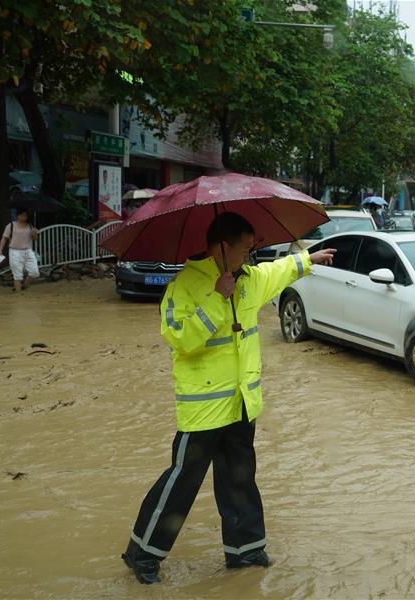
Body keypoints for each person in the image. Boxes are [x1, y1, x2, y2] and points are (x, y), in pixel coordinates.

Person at [121, 212, 336, 584]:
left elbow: (278, 271)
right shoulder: (185, 286)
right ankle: (142, 553)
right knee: (181, 483)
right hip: (203, 409)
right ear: (223, 246)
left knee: (239, 480)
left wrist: (307, 260)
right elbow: (181, 340)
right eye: (245, 248)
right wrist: (217, 300)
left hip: (240, 404)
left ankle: (245, 550)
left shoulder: (249, 279)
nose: (250, 255)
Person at [0, 208, 39, 291]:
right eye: (21, 215)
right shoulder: (11, 225)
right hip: (15, 251)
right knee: (17, 274)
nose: (23, 217)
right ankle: (18, 293)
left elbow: (35, 238)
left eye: (25, 215)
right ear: (17, 216)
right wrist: (0, 250)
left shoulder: (30, 226)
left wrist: (34, 233)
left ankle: (24, 286)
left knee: (34, 272)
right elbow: (4, 238)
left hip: (28, 251)